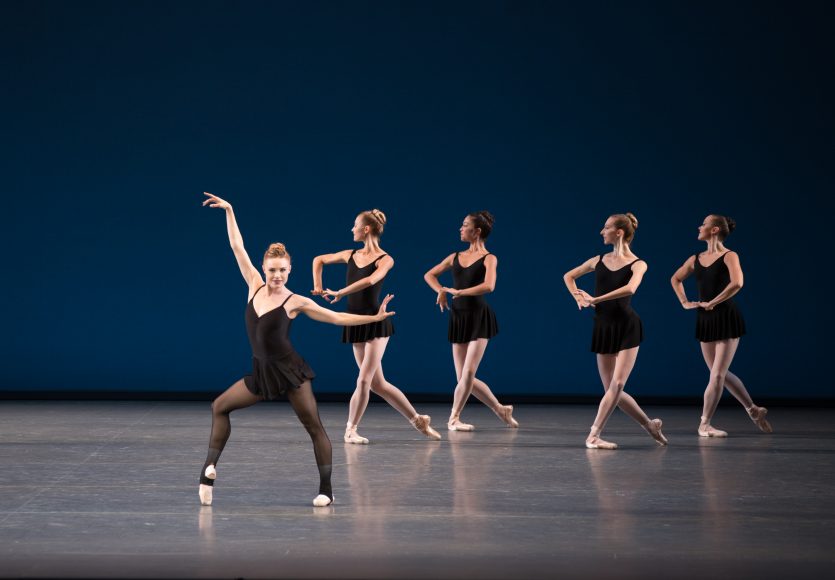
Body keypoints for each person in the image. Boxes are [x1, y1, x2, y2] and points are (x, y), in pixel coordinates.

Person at [198, 192, 395, 508]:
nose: (277, 276)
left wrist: (375, 317)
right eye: (272, 270)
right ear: (263, 267)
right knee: (219, 406)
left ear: (290, 271)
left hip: (291, 373)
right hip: (261, 374)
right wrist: (230, 211)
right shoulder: (254, 284)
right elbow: (237, 246)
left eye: (283, 271)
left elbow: (337, 317)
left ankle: (326, 490)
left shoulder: (295, 301)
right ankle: (207, 475)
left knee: (315, 428)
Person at [311, 209, 441, 444]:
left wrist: (341, 292)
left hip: (377, 320)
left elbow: (371, 280)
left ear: (366, 229)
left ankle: (350, 430)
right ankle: (418, 420)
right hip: (355, 321)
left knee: (363, 380)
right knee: (377, 384)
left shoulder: (385, 259)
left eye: (355, 225)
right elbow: (318, 259)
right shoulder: (350, 254)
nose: (352, 229)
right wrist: (318, 286)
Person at [563, 213, 667, 449]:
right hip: (603, 327)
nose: (602, 231)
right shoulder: (598, 260)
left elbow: (630, 288)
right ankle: (649, 425)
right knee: (611, 391)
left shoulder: (639, 263)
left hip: (627, 326)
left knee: (617, 385)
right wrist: (578, 297)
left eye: (606, 227)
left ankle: (593, 435)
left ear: (619, 232)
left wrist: (596, 298)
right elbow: (568, 276)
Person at [670, 215, 771, 437]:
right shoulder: (695, 258)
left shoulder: (729, 255)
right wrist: (685, 302)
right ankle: (753, 410)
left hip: (726, 317)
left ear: (714, 230)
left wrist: (714, 302)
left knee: (717, 376)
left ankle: (704, 424)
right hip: (705, 319)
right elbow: (675, 279)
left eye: (703, 224)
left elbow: (738, 283)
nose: (699, 226)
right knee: (719, 375)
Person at [423, 211, 518, 431]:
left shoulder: (489, 258)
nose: (460, 228)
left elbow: (489, 286)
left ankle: (454, 418)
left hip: (479, 317)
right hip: (459, 317)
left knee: (467, 374)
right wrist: (442, 291)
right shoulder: (454, 256)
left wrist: (459, 291)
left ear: (477, 232)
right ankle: (500, 409)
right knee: (464, 378)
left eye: (465, 225)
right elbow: (429, 275)